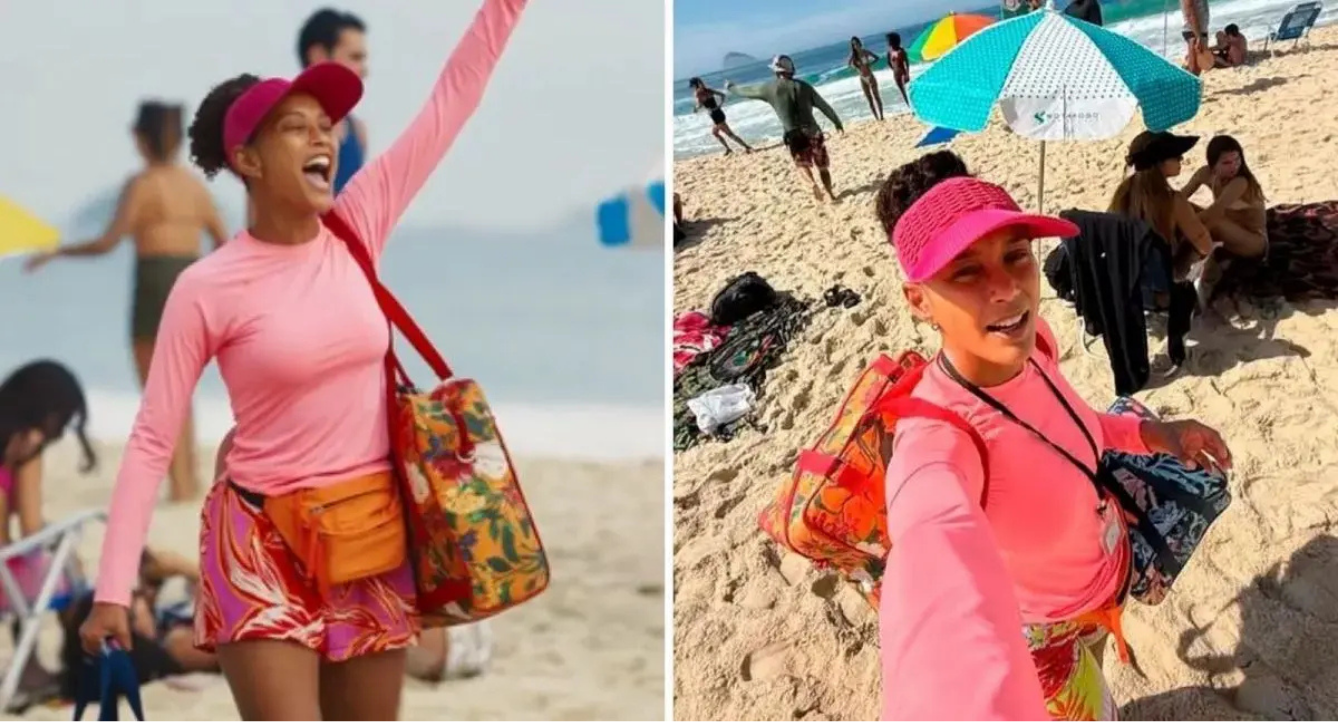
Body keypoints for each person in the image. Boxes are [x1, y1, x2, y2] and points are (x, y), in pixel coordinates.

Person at [76, 1, 531, 719]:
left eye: (327, 123)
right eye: (298, 126)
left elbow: (455, 99)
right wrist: (109, 590)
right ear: (247, 160)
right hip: (260, 541)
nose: (323, 134)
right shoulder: (206, 287)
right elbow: (153, 437)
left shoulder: (358, 224)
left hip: (373, 535)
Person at [872, 152, 1233, 719]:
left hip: (1099, 581)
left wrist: (1155, 432)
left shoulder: (1033, 342)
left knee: (1100, 669)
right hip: (1043, 631)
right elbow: (930, 557)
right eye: (965, 270)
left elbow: (1074, 425)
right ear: (918, 300)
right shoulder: (937, 437)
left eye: (1016, 255)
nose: (1006, 289)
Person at [24, 102, 225, 503]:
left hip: (154, 285)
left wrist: (58, 252)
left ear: (140, 137)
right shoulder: (195, 188)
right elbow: (223, 242)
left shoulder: (143, 184)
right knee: (181, 390)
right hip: (192, 285)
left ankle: (181, 484)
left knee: (158, 392)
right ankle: (187, 482)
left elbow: (107, 242)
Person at [0, 360, 96, 709]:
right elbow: (28, 531)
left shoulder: (20, 446)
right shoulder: (23, 448)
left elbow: (26, 534)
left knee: (40, 566)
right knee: (64, 573)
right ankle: (66, 667)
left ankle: (32, 665)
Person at [726, 55, 844, 202]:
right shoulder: (804, 86)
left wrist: (731, 87)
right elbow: (823, 105)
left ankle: (812, 184)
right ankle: (831, 194)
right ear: (792, 70)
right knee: (823, 167)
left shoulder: (769, 89)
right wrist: (837, 122)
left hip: (793, 134)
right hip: (813, 131)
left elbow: (746, 91)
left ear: (776, 71)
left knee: (801, 165)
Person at [1109, 131, 1214, 279]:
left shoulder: (1122, 194)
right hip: (1162, 282)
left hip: (1128, 279)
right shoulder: (1171, 200)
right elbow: (1204, 244)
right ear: (1160, 162)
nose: (1181, 158)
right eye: (1176, 155)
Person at [296, 8, 369, 194]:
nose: (363, 70)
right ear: (319, 56)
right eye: (354, 58)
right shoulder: (284, 129)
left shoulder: (358, 132)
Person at [1180, 134, 1268, 258]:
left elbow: (1215, 211)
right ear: (1213, 164)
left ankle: (1181, 260)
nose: (1234, 167)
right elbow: (1179, 199)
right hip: (1227, 230)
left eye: (1237, 160)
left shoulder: (1240, 182)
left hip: (1254, 240)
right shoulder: (1205, 173)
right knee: (1184, 208)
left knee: (1212, 221)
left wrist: (1182, 224)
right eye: (1226, 163)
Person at [688, 78, 752, 155]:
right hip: (719, 113)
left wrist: (695, 109)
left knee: (730, 134)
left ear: (695, 85)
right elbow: (723, 95)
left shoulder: (698, 93)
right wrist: (719, 106)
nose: (692, 87)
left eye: (692, 86)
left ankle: (747, 147)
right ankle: (729, 149)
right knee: (715, 132)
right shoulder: (708, 90)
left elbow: (700, 105)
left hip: (715, 116)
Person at [847, 37, 884, 121]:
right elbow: (849, 64)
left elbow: (877, 57)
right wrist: (856, 67)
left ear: (859, 43)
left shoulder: (865, 52)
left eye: (856, 43)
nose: (855, 46)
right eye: (853, 45)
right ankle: (876, 118)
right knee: (869, 99)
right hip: (862, 78)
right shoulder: (853, 55)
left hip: (870, 76)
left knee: (876, 96)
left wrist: (870, 64)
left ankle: (881, 116)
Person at [1181, 0, 1212, 76]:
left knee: (1196, 66)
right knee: (1195, 69)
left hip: (1199, 30)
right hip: (1194, 31)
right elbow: (1190, 12)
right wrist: (1198, 36)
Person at [885, 33, 911, 107]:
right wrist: (894, 70)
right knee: (902, 92)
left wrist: (907, 74)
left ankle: (913, 105)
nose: (887, 42)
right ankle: (909, 106)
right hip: (896, 74)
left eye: (888, 40)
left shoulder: (901, 50)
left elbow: (906, 63)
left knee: (907, 90)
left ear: (893, 41)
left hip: (903, 73)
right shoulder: (889, 52)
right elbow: (889, 63)